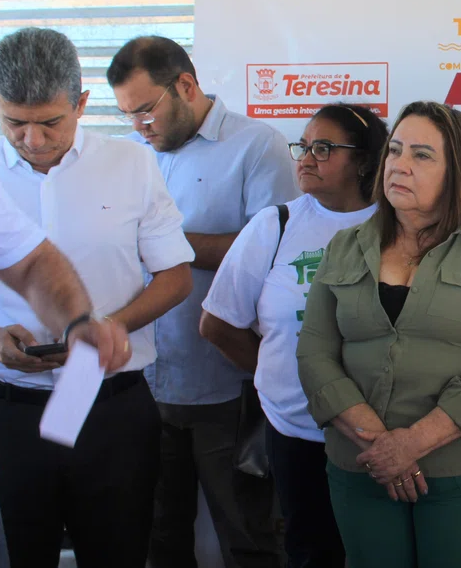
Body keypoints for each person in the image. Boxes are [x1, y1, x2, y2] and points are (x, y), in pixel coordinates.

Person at [296, 101, 461, 568]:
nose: (400, 165)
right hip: (362, 471)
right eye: (395, 150)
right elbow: (314, 356)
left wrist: (410, 446)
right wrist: (382, 447)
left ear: (456, 171)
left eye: (422, 155)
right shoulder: (343, 247)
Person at [0, 27, 195, 567]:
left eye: (50, 123)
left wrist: (110, 327)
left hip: (112, 408)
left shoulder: (130, 165)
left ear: (81, 103)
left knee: (120, 554)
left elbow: (175, 276)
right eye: (14, 122)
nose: (32, 140)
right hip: (15, 409)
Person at [108, 35, 296, 567]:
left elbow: (274, 252)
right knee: (158, 535)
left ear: (186, 86)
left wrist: (166, 245)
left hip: (226, 386)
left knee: (247, 538)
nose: (139, 126)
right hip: (144, 380)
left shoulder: (258, 145)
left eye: (145, 110)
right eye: (127, 116)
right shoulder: (131, 158)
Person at [201, 104, 388, 568]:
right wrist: (287, 376)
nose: (305, 157)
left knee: (379, 551)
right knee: (311, 550)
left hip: (382, 434)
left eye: (323, 148)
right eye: (303, 146)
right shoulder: (275, 226)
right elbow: (218, 325)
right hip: (299, 432)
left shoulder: (399, 228)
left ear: (364, 161)